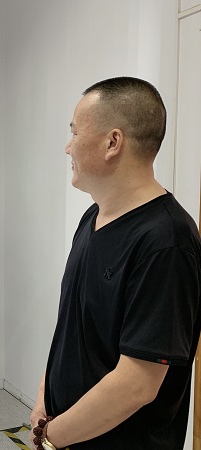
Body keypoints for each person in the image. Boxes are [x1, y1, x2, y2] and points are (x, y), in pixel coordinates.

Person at [30, 77, 201, 449]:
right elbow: (72, 326)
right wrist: (45, 397)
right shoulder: (92, 217)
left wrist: (51, 438)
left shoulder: (166, 242)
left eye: (75, 132)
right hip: (68, 433)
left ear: (113, 142)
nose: (68, 146)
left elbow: (136, 384)